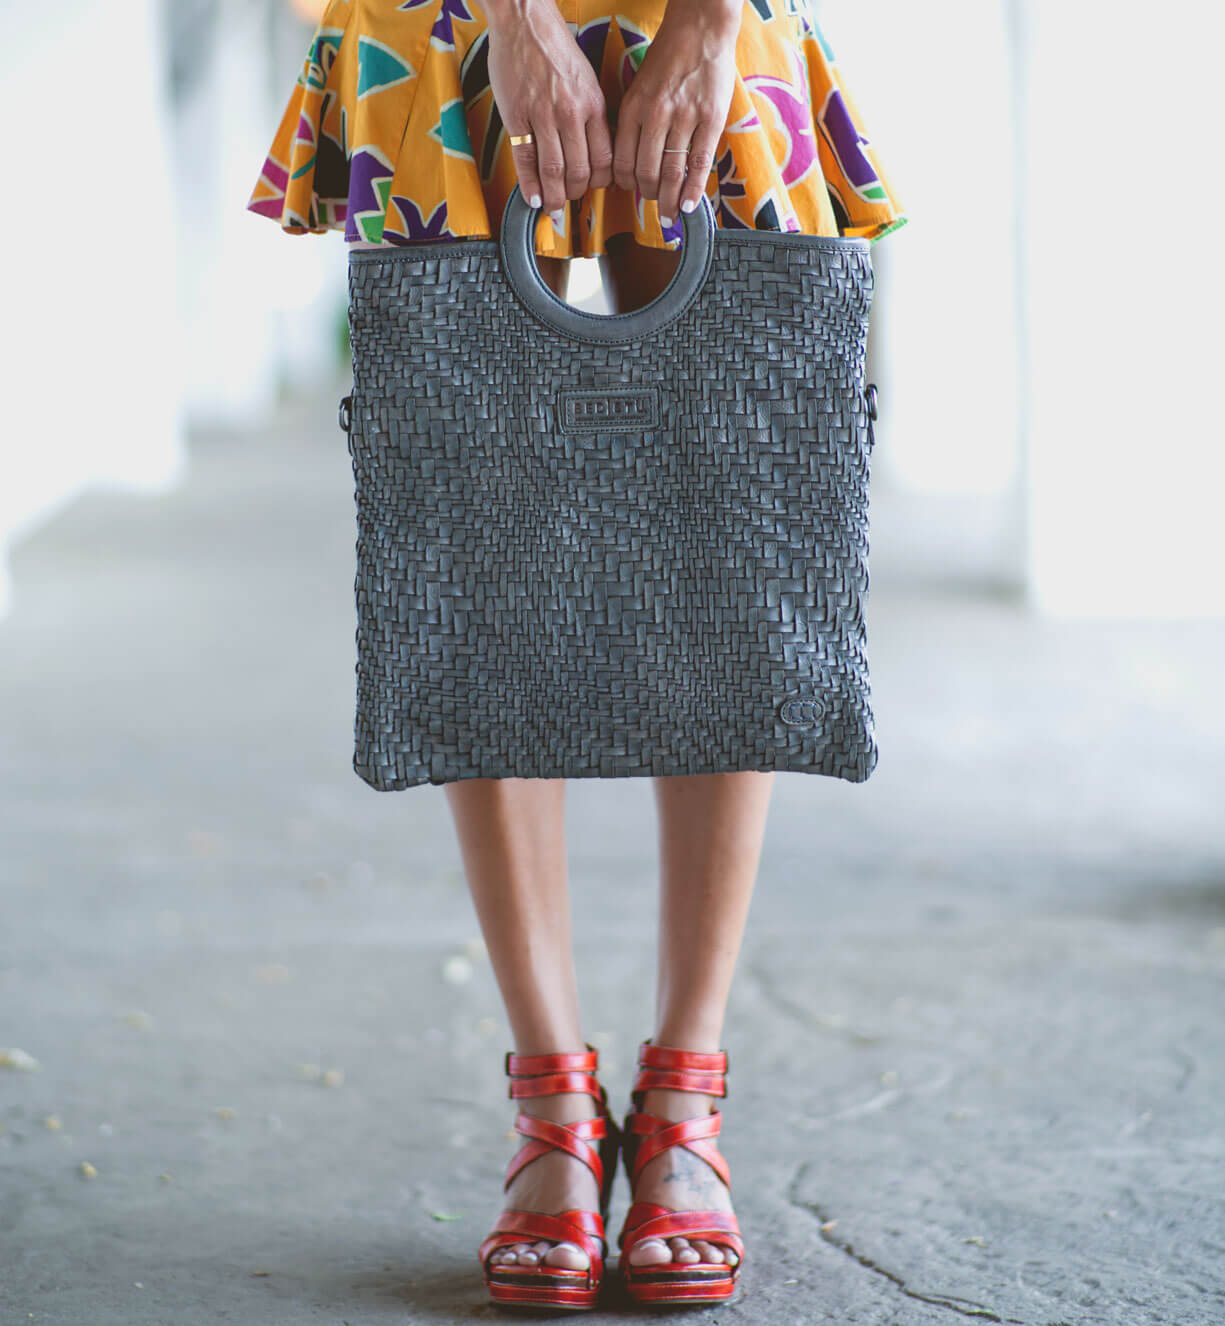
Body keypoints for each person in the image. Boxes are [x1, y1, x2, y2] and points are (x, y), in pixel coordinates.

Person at [248, 0, 904, 1307]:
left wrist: (714, 19)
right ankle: (550, 1097)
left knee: (741, 523)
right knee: (472, 537)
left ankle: (684, 1096)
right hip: (437, 18)